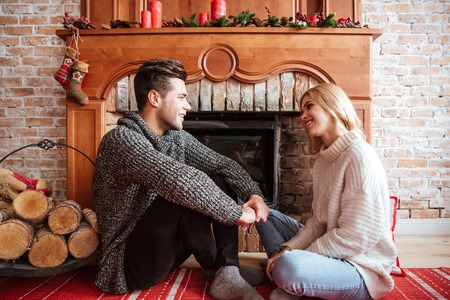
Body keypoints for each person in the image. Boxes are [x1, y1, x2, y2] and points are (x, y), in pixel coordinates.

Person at [92, 58, 270, 299]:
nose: (187, 106)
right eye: (181, 97)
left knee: (219, 177)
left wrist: (254, 194)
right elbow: (179, 180)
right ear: (155, 98)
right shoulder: (121, 140)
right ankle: (220, 270)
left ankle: (227, 269)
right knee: (180, 192)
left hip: (164, 252)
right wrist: (237, 213)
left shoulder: (176, 138)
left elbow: (223, 164)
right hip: (127, 265)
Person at [255, 83, 398, 300]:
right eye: (301, 110)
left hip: (359, 267)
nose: (303, 116)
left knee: (289, 267)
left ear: (333, 105)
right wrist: (288, 249)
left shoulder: (360, 155)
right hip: (331, 250)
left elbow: (356, 236)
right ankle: (293, 277)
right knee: (264, 214)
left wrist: (295, 256)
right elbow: (318, 223)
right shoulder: (323, 161)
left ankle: (286, 276)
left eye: (309, 107)